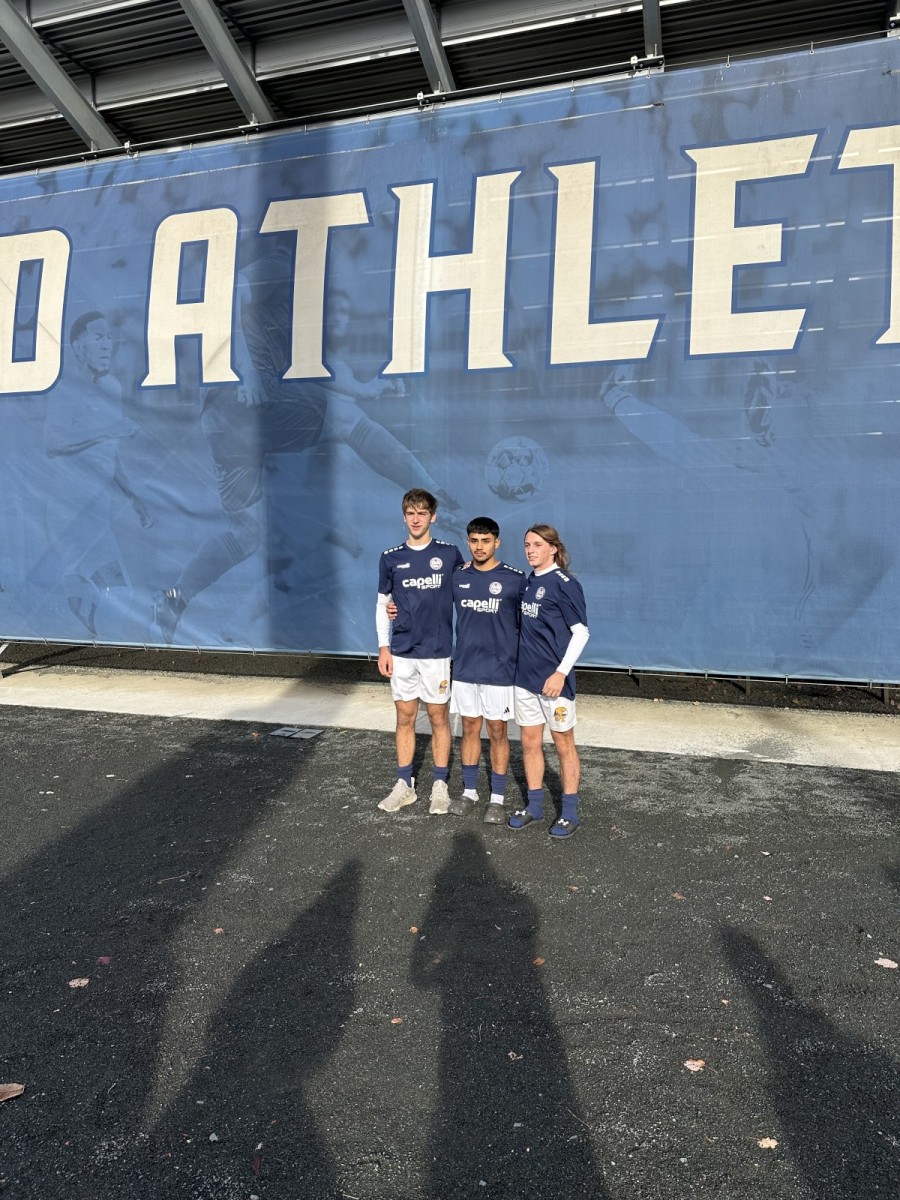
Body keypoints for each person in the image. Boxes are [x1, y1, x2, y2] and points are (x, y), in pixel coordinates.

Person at [152, 261, 465, 644]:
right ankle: (434, 493)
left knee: (249, 532)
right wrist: (247, 371)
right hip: (240, 402)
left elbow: (315, 363)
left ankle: (175, 597)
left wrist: (364, 388)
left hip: (225, 421)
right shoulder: (281, 259)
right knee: (345, 421)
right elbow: (229, 294)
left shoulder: (298, 315)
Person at [43, 311, 150, 637]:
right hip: (71, 511)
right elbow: (54, 444)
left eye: (109, 338)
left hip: (98, 510)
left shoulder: (112, 387)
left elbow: (111, 453)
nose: (107, 345)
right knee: (119, 594)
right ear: (78, 346)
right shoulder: (63, 390)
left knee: (95, 599)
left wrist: (132, 495)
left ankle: (81, 623)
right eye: (98, 337)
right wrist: (109, 430)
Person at [376, 489, 463, 814]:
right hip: (401, 652)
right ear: (404, 517)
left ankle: (440, 785)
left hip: (436, 653)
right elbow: (382, 604)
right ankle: (405, 785)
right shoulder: (390, 557)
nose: (416, 519)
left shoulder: (449, 554)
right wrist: (383, 647)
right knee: (404, 718)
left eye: (422, 513)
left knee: (439, 717)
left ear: (432, 517)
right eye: (411, 513)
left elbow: (468, 591)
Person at [508, 524, 589, 839]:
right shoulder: (528, 582)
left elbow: (581, 633)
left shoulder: (565, 584)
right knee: (529, 742)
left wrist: (560, 672)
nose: (530, 550)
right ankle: (535, 806)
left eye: (538, 545)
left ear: (553, 548)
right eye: (527, 545)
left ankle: (569, 813)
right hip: (525, 679)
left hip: (555, 682)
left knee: (563, 744)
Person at [447, 517, 526, 823]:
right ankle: (469, 792)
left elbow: (530, 620)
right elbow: (432, 604)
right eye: (474, 541)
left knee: (497, 731)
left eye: (486, 541)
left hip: (499, 670)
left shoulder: (514, 579)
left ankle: (497, 799)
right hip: (466, 668)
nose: (479, 547)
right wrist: (394, 608)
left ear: (497, 543)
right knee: (469, 727)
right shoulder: (458, 576)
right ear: (468, 542)